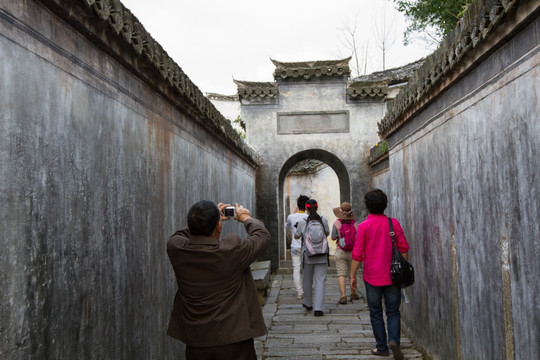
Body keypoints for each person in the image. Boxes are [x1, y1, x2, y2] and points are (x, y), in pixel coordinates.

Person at [166, 200, 270, 360]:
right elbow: (262, 235)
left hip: (197, 341)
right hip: (234, 339)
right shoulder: (231, 251)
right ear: (219, 226)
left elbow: (180, 235)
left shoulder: (177, 249)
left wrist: (203, 219)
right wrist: (245, 217)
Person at [349, 189, 409, 360]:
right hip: (392, 276)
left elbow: (357, 253)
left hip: (371, 277)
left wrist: (352, 275)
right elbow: (404, 247)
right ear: (385, 204)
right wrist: (403, 268)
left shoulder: (364, 227)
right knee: (393, 311)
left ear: (367, 207)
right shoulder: (393, 224)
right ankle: (395, 342)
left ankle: (381, 347)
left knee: (375, 312)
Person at [294, 198, 330, 316]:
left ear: (306, 208)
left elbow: (296, 236)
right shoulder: (323, 219)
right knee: (320, 281)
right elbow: (327, 233)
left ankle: (308, 303)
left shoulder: (303, 221)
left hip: (308, 255)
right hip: (322, 254)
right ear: (317, 207)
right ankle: (318, 308)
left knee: (307, 280)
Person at [330, 202, 361, 304]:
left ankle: (343, 296)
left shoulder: (337, 223)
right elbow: (358, 237)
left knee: (341, 274)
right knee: (352, 273)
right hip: (353, 252)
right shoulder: (354, 223)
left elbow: (333, 237)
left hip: (341, 251)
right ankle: (353, 293)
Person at [285, 194, 310, 300]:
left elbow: (287, 226)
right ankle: (307, 289)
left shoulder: (291, 217)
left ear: (298, 205)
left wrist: (293, 215)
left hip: (295, 247)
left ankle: (299, 292)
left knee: (296, 269)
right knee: (307, 269)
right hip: (307, 247)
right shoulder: (308, 217)